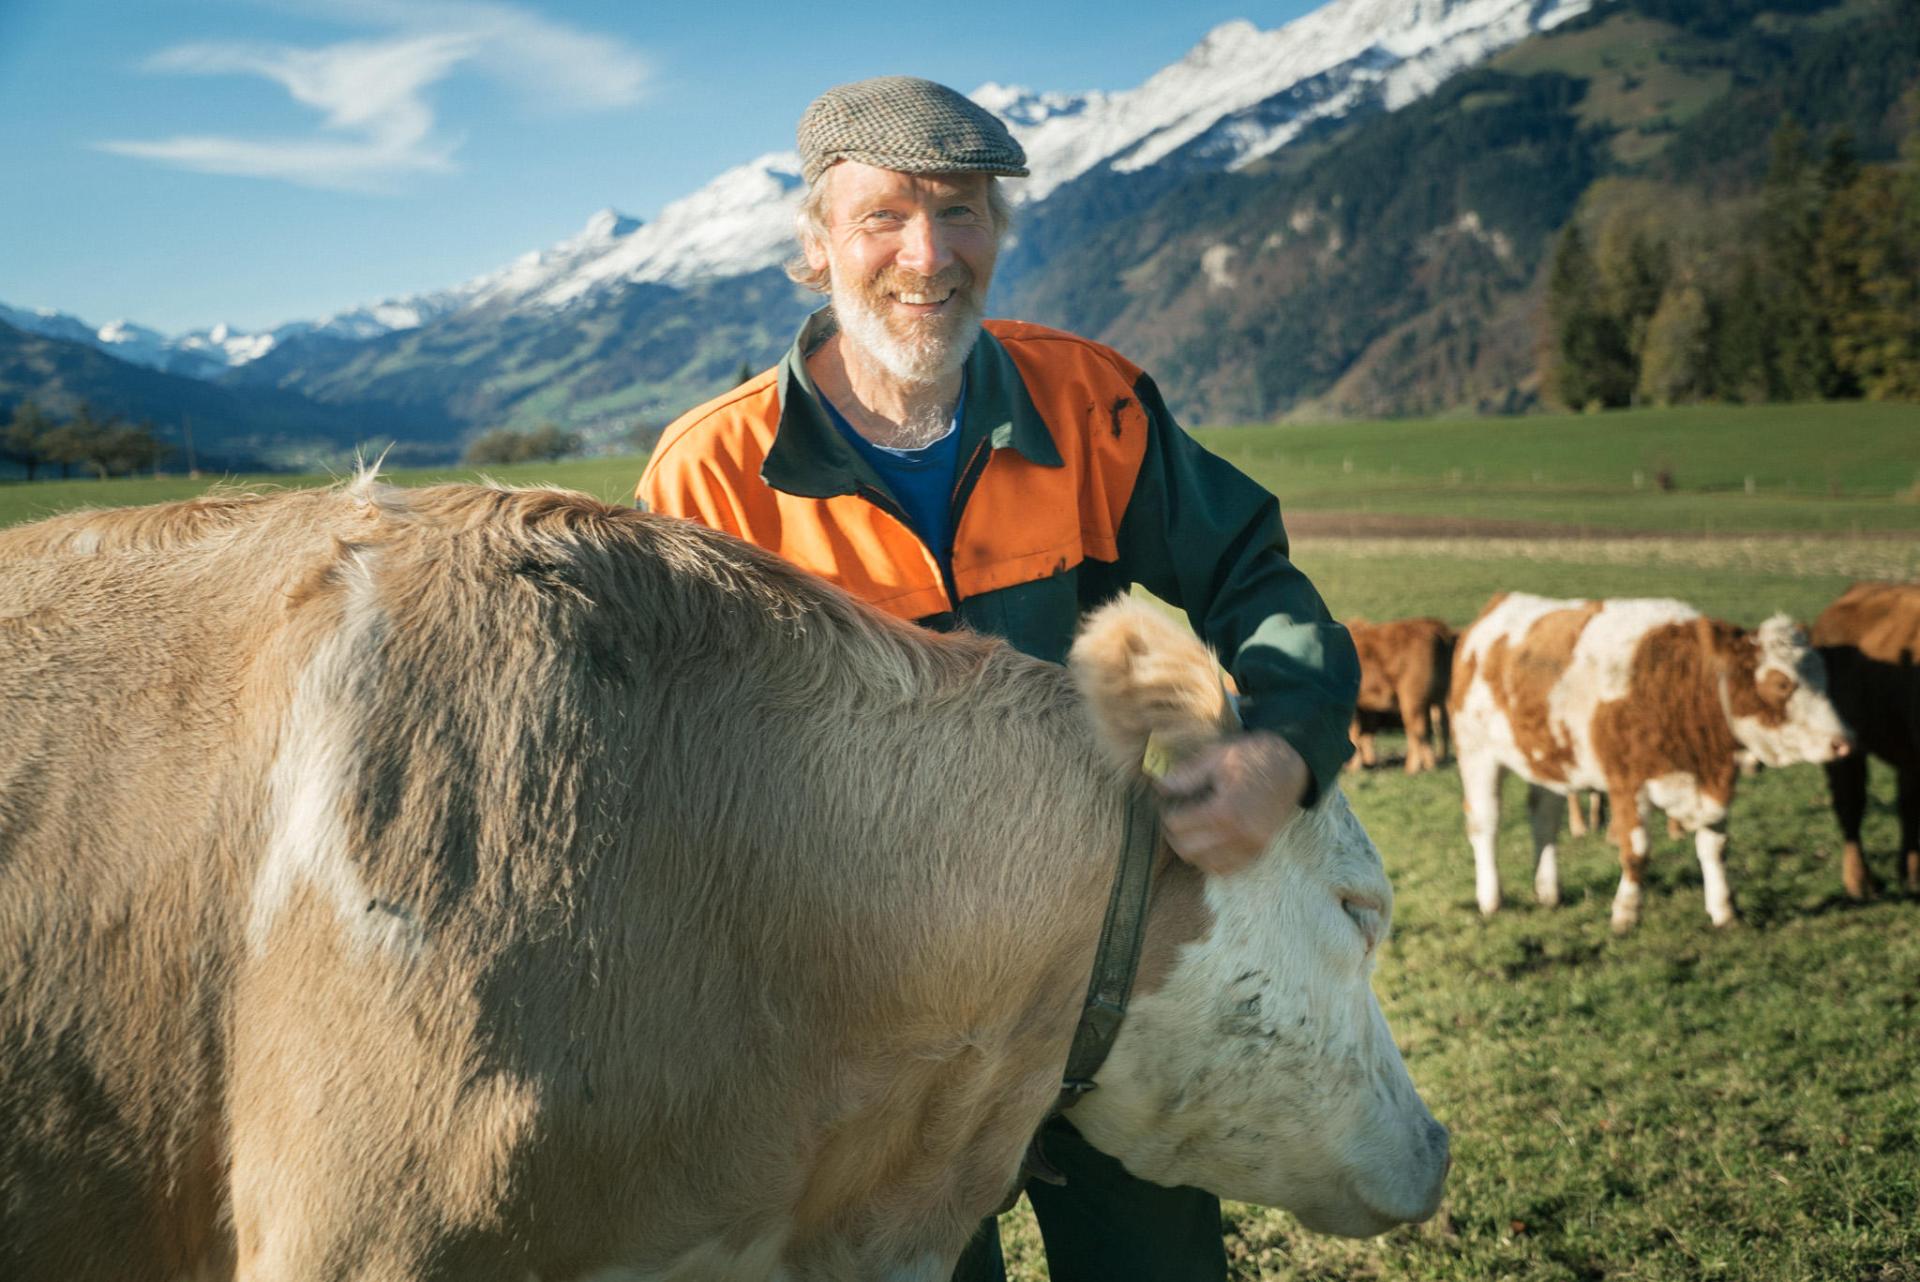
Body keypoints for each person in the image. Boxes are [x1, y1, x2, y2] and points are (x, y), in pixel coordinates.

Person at [636, 74, 1359, 1282]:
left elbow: (1256, 577)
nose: (930, 254)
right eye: (885, 216)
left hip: (1097, 969)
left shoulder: (1089, 401)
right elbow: (672, 789)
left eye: (963, 210)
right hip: (864, 1029)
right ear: (816, 244)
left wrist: (1281, 743)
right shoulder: (711, 482)